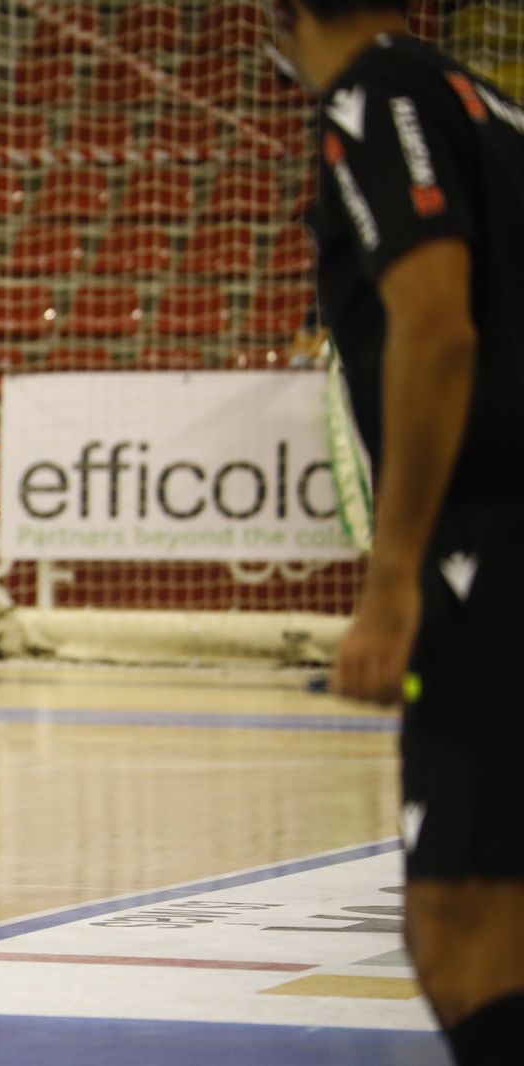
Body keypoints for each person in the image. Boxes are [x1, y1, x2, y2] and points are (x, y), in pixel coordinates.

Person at [271, 2, 524, 1062]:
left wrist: (392, 578)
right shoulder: (491, 104)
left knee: (457, 933)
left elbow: (435, 318)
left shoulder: (376, 96)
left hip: (492, 546)